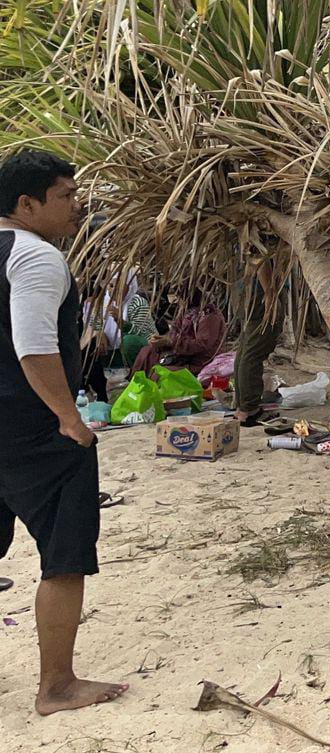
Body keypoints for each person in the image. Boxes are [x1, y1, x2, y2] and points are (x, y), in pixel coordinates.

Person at [0, 149, 129, 715]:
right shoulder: (35, 257)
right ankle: (55, 685)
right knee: (64, 553)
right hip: (32, 431)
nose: (77, 207)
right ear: (26, 204)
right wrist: (69, 419)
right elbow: (34, 346)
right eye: (66, 197)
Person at [233, 257, 286, 426]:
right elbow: (259, 254)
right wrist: (270, 294)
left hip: (250, 296)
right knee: (253, 353)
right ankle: (249, 410)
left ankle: (242, 408)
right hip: (260, 298)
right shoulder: (262, 236)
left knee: (246, 350)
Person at [132, 290, 224, 376]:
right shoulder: (186, 312)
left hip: (198, 362)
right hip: (180, 356)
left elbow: (202, 345)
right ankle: (138, 384)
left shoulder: (209, 315)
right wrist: (162, 341)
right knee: (147, 352)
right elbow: (174, 332)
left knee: (159, 375)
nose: (177, 299)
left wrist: (171, 342)